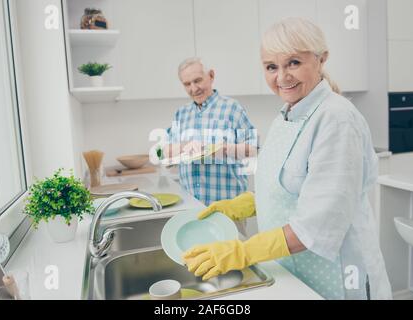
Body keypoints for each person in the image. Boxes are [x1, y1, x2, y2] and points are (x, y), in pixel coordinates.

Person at [182, 18, 392, 300]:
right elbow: (288, 188)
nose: (282, 77)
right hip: (296, 273)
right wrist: (245, 204)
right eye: (271, 67)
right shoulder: (288, 113)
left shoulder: (336, 120)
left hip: (339, 278)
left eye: (293, 62)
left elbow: (315, 225)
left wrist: (242, 252)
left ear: (321, 59)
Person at [164, 57, 257, 206]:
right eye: (187, 84)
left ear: (211, 76)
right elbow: (167, 153)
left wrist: (221, 149)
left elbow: (252, 149)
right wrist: (186, 147)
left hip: (228, 206)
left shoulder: (232, 108)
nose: (193, 89)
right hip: (190, 206)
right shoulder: (181, 113)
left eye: (197, 80)